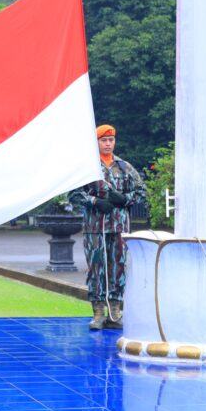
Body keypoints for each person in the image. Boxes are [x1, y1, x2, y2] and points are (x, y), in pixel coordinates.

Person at [69, 125, 147, 330]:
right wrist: (94, 201)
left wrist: (125, 199)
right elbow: (73, 194)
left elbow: (141, 192)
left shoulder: (124, 167)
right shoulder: (88, 168)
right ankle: (98, 313)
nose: (108, 144)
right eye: (103, 140)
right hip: (96, 227)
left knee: (118, 268)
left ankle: (115, 312)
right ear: (96, 142)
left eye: (111, 140)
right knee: (97, 268)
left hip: (119, 226)